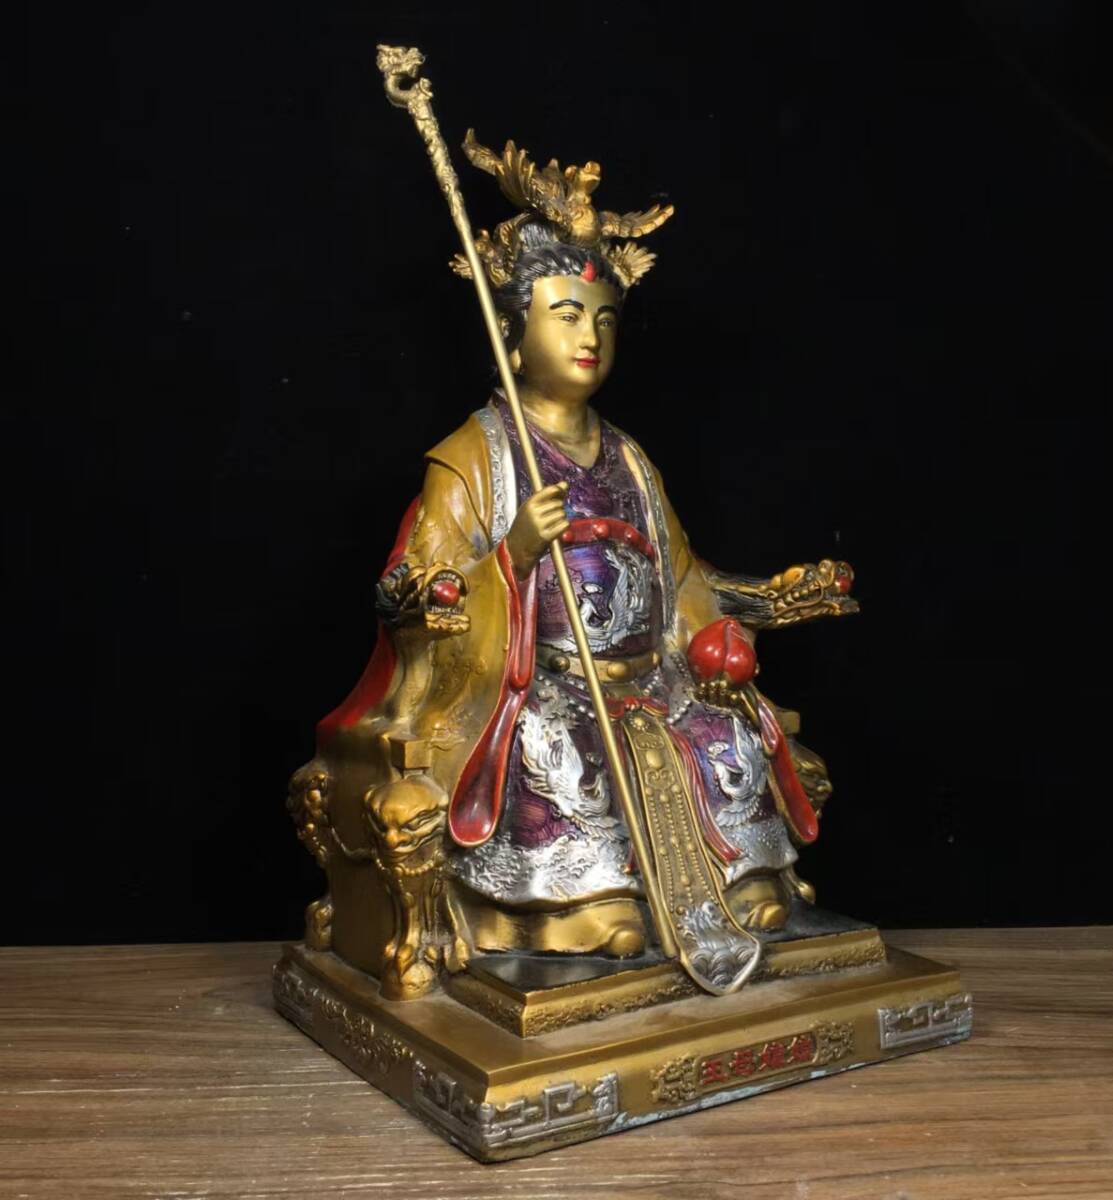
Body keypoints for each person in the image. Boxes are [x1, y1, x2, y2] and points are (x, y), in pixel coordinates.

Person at [302, 141, 856, 997]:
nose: (589, 336)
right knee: (562, 747)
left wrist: (754, 608)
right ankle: (571, 911)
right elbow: (415, 585)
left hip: (648, 678)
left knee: (722, 736)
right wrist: (512, 553)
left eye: (603, 319)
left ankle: (741, 888)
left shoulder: (631, 460)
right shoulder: (476, 456)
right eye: (565, 315)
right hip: (542, 682)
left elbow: (683, 580)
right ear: (513, 333)